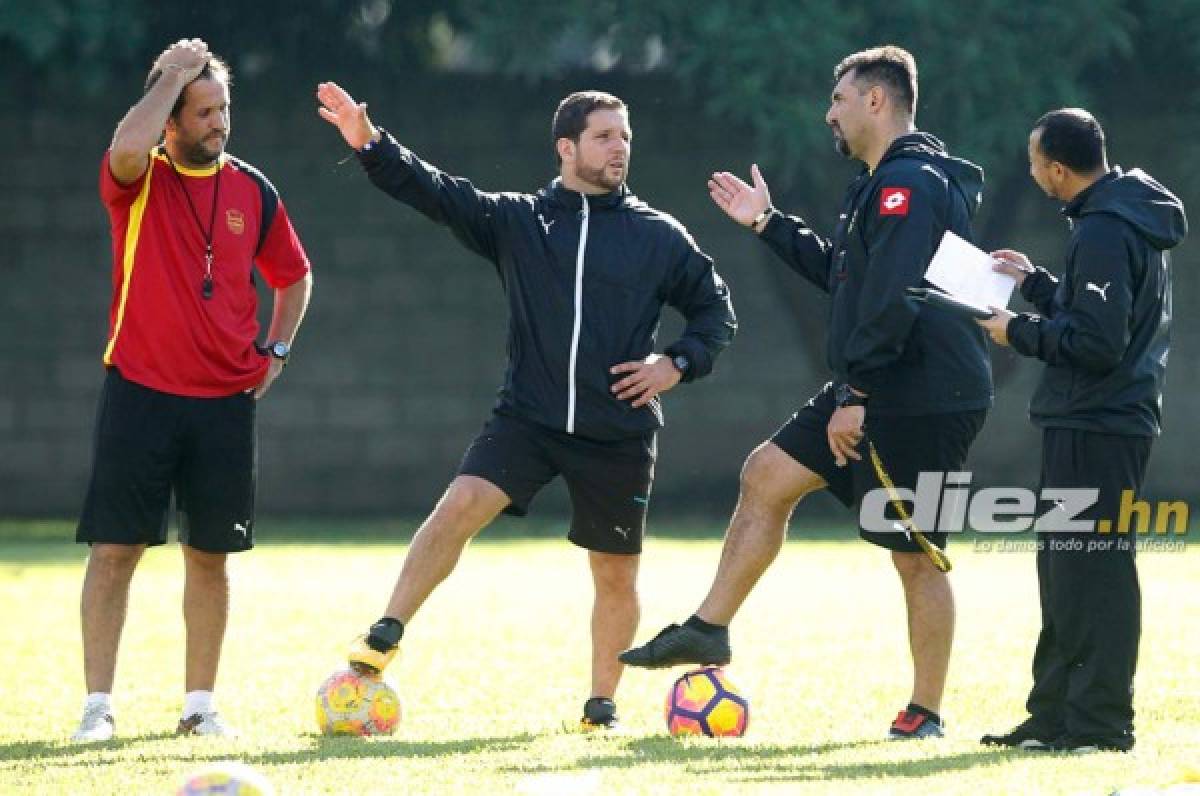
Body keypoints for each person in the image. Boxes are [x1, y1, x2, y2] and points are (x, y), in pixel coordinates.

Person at [315, 82, 736, 730]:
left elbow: (716, 313)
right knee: (457, 507)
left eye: (625, 135)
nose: (620, 146)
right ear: (567, 147)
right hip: (528, 419)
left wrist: (674, 363)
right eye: (604, 135)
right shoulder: (517, 220)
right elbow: (436, 192)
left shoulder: (659, 236)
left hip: (618, 430)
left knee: (617, 577)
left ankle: (602, 707)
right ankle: (385, 630)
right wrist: (371, 143)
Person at [620, 45, 993, 740]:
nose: (830, 113)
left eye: (839, 99)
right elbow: (849, 278)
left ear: (876, 101)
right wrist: (768, 223)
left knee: (915, 554)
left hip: (922, 395)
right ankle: (708, 630)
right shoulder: (878, 185)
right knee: (766, 474)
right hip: (878, 381)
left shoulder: (908, 185)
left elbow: (894, 298)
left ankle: (926, 712)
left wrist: (857, 392)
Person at [72, 38, 314, 741]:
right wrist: (173, 74)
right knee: (115, 552)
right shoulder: (137, 175)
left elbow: (294, 275)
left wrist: (278, 349)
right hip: (140, 392)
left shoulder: (252, 189)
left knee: (210, 556)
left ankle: (200, 705)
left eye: (224, 109)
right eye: (203, 111)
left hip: (224, 404)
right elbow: (124, 144)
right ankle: (97, 709)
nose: (219, 123)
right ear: (170, 121)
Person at [978, 109, 1186, 753]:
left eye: (1035, 162)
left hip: (1100, 422)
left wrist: (1016, 329)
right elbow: (1097, 311)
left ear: (1059, 170)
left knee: (1094, 570)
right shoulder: (1118, 217)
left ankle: (1099, 723)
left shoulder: (1102, 228)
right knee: (1065, 569)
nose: (1033, 172)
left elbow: (1096, 342)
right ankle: (1055, 718)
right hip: (1094, 420)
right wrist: (1037, 283)